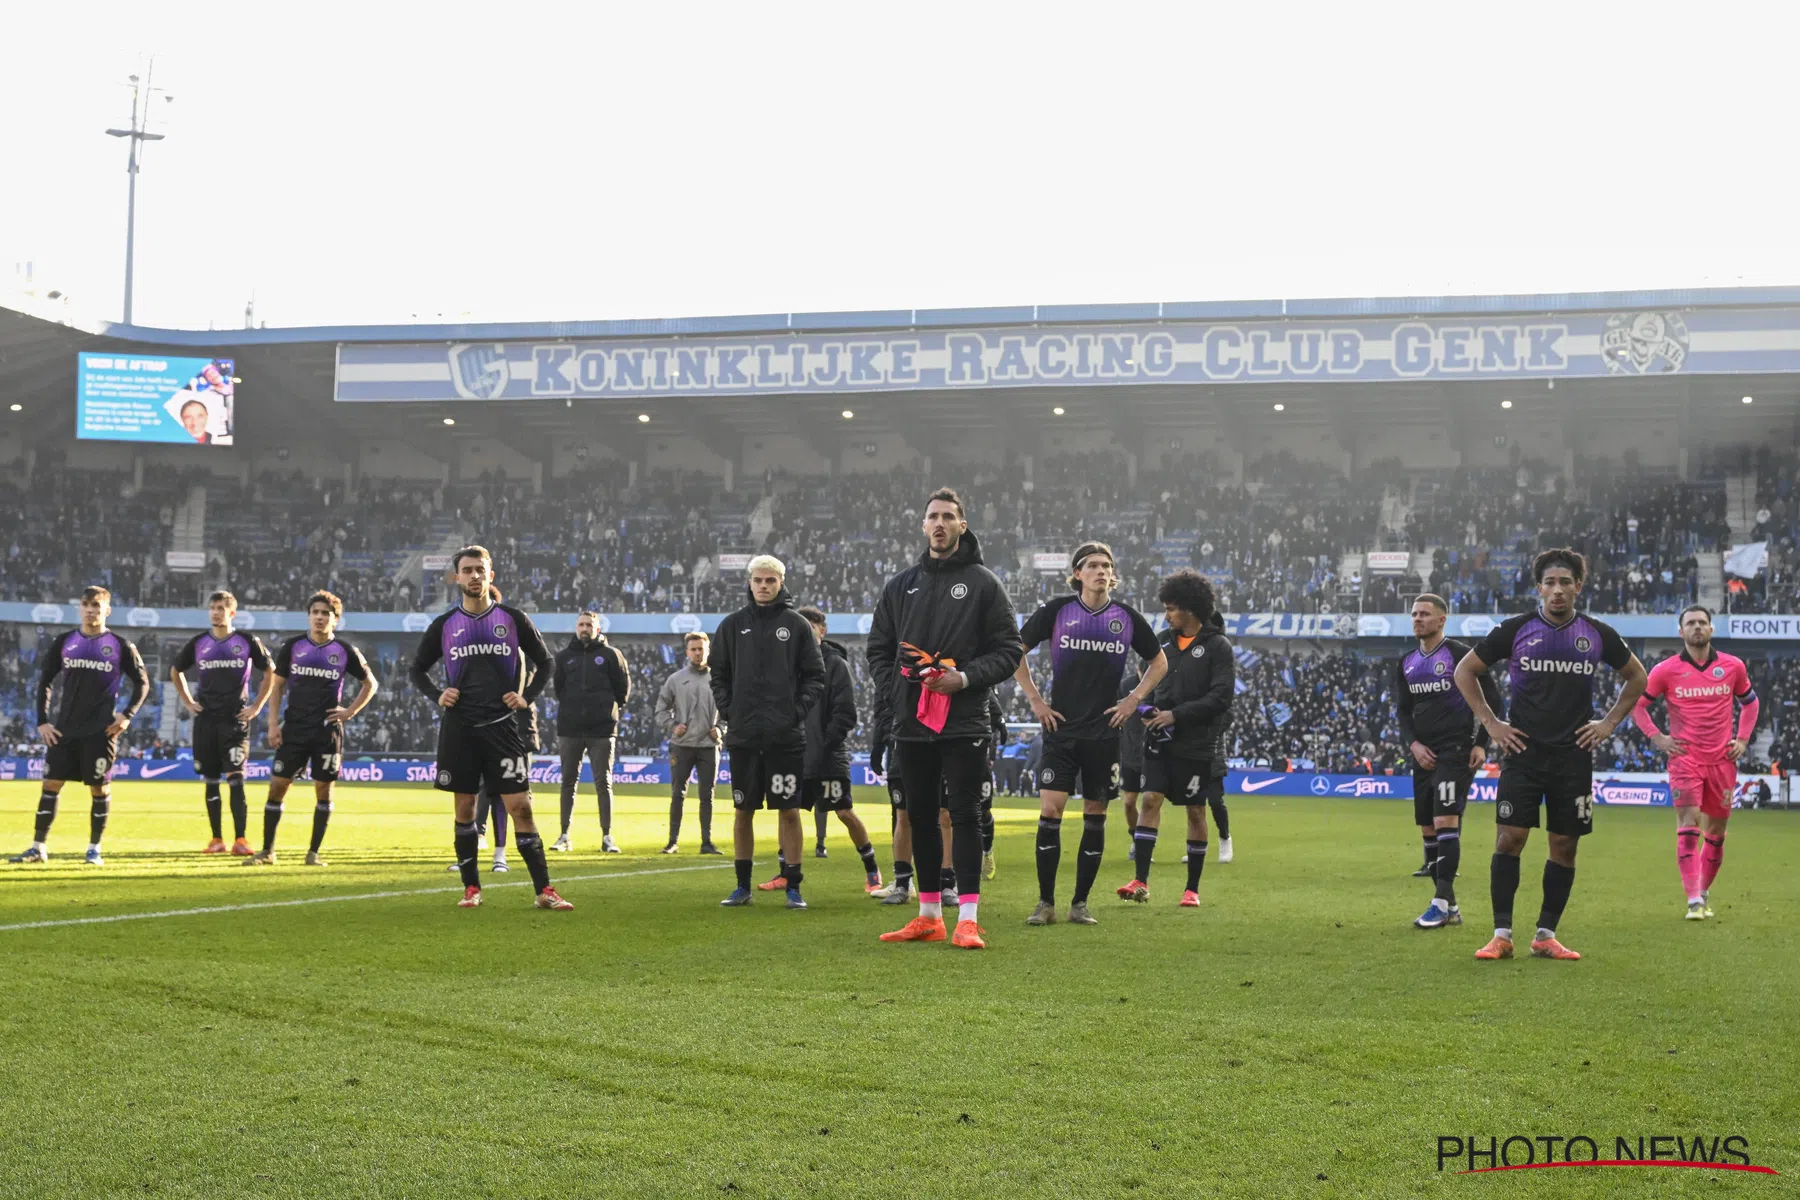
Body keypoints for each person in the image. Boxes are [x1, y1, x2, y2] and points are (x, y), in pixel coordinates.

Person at [1454, 547, 1648, 960]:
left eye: (1565, 582)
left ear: (1579, 586)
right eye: (1549, 583)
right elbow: (1464, 670)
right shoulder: (1515, 629)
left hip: (1572, 756)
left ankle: (1545, 935)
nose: (1557, 590)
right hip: (1523, 753)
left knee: (1564, 845)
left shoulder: (1597, 633)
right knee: (1510, 838)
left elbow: (1637, 677)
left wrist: (1608, 723)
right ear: (1539, 588)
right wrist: (1492, 724)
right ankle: (1501, 935)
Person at [868, 487, 1024, 950]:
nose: (939, 524)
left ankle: (968, 919)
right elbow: (878, 650)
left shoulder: (983, 583)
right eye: (933, 517)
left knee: (965, 815)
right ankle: (929, 915)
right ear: (923, 526)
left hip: (965, 720)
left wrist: (965, 679)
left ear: (962, 525)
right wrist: (900, 691)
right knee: (919, 816)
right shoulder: (900, 586)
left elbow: (1009, 649)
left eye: (948, 517)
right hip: (912, 722)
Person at [1013, 541, 1167, 927]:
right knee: (1051, 811)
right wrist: (1036, 700)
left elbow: (1159, 661)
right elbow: (1014, 650)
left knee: (1095, 814)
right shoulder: (1057, 611)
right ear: (1077, 574)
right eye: (1093, 565)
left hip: (1104, 733)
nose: (1101, 571)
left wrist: (1133, 699)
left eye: (1107, 566)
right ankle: (1045, 903)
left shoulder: (1125, 617)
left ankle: (1079, 904)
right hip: (1060, 730)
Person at [411, 546, 568, 910]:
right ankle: (471, 888)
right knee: (465, 808)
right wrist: (438, 694)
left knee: (521, 807)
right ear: (457, 577)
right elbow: (416, 669)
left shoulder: (512, 619)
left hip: (502, 728)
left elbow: (546, 662)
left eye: (480, 569)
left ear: (490, 575)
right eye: (467, 570)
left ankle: (544, 891)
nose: (474, 575)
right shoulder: (444, 625)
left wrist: (526, 696)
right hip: (460, 728)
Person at [1630, 605, 1758, 919]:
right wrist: (1658, 738)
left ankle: (1702, 891)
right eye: (1691, 623)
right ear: (1681, 631)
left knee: (1716, 833)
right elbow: (1638, 707)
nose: (1697, 627)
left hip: (1722, 761)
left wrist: (1742, 740)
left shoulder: (1733, 666)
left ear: (1712, 629)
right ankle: (1693, 901)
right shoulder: (1665, 670)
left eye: (1702, 622)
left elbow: (1751, 703)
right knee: (1688, 825)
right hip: (1685, 760)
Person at [711, 556, 824, 909]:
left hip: (784, 740)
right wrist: (731, 712)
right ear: (749, 583)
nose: (763, 586)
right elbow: (718, 675)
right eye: (758, 580)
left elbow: (815, 676)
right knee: (743, 811)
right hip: (744, 738)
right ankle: (741, 886)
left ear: (781, 583)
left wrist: (795, 713)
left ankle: (793, 887)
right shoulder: (732, 626)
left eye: (770, 581)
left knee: (789, 811)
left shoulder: (797, 626)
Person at [1118, 570, 1233, 908]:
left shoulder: (1218, 647)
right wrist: (1148, 709)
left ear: (1191, 609)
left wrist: (1176, 715)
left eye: (1171, 609)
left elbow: (1222, 697)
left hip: (1196, 745)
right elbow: (1147, 684)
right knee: (1149, 800)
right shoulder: (1162, 643)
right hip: (1158, 739)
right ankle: (1140, 881)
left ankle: (1191, 889)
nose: (1166, 616)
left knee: (1196, 811)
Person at [11, 586, 148, 865]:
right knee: (50, 784)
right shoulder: (65, 641)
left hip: (101, 731)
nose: (90, 610)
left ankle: (94, 849)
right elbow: (45, 681)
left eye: (96, 605)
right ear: (80, 608)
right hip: (64, 730)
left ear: (107, 610)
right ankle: (38, 848)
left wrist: (127, 715)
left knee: (99, 789)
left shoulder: (121, 646)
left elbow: (142, 683)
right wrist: (42, 722)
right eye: (86, 605)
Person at [1395, 593, 1503, 929]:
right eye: (1415, 614)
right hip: (1423, 754)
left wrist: (1482, 743)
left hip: (1456, 749)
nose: (1418, 619)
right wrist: (1413, 745)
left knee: (1445, 820)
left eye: (1425, 614)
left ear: (1442, 620)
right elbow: (1403, 712)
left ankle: (1440, 903)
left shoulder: (1459, 655)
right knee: (1428, 828)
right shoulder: (1406, 662)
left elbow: (1493, 699)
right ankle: (1450, 905)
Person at [251, 591, 377, 866]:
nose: (320, 617)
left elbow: (371, 683)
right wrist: (272, 724)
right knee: (277, 787)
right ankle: (268, 851)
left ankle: (313, 853)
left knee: (323, 791)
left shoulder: (344, 650)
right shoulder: (293, 646)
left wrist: (350, 711)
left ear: (335, 619)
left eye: (325, 614)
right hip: (294, 729)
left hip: (327, 732)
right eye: (315, 612)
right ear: (309, 616)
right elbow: (277, 686)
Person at [171, 590, 273, 856]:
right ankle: (216, 839)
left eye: (221, 608)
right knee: (211, 780)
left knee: (236, 779)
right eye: (213, 608)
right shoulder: (199, 642)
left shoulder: (246, 641)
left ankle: (241, 839)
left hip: (235, 720)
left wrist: (256, 706)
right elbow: (176, 670)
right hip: (206, 721)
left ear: (232, 613)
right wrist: (188, 701)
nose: (215, 613)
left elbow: (270, 670)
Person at [790, 606, 882, 892]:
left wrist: (825, 744)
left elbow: (845, 713)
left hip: (828, 755)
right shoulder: (789, 664)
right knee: (788, 811)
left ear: (822, 630)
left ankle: (872, 869)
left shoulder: (836, 665)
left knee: (843, 812)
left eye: (810, 627)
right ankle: (786, 874)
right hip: (796, 754)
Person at [551, 610, 630, 853]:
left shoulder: (611, 655)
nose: (584, 629)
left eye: (589, 625)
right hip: (570, 729)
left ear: (598, 628)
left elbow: (623, 690)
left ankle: (607, 837)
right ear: (576, 628)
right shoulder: (564, 657)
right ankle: (564, 835)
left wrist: (604, 712)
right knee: (568, 782)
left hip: (602, 730)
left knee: (603, 783)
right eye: (581, 625)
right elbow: (558, 689)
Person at [656, 632, 723, 854]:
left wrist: (721, 729)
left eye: (701, 649)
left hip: (709, 746)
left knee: (707, 795)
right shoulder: (675, 679)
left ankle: (707, 842)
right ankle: (672, 841)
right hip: (682, 745)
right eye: (693, 649)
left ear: (708, 650)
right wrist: (672, 726)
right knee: (678, 794)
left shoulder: (720, 679)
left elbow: (730, 711)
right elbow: (661, 710)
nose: (697, 653)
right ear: (687, 652)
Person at [1118, 668, 1146, 864]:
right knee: (1129, 802)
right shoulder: (1126, 685)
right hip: (1130, 752)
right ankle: (1136, 840)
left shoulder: (1162, 683)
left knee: (1151, 801)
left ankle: (1145, 846)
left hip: (1153, 752)